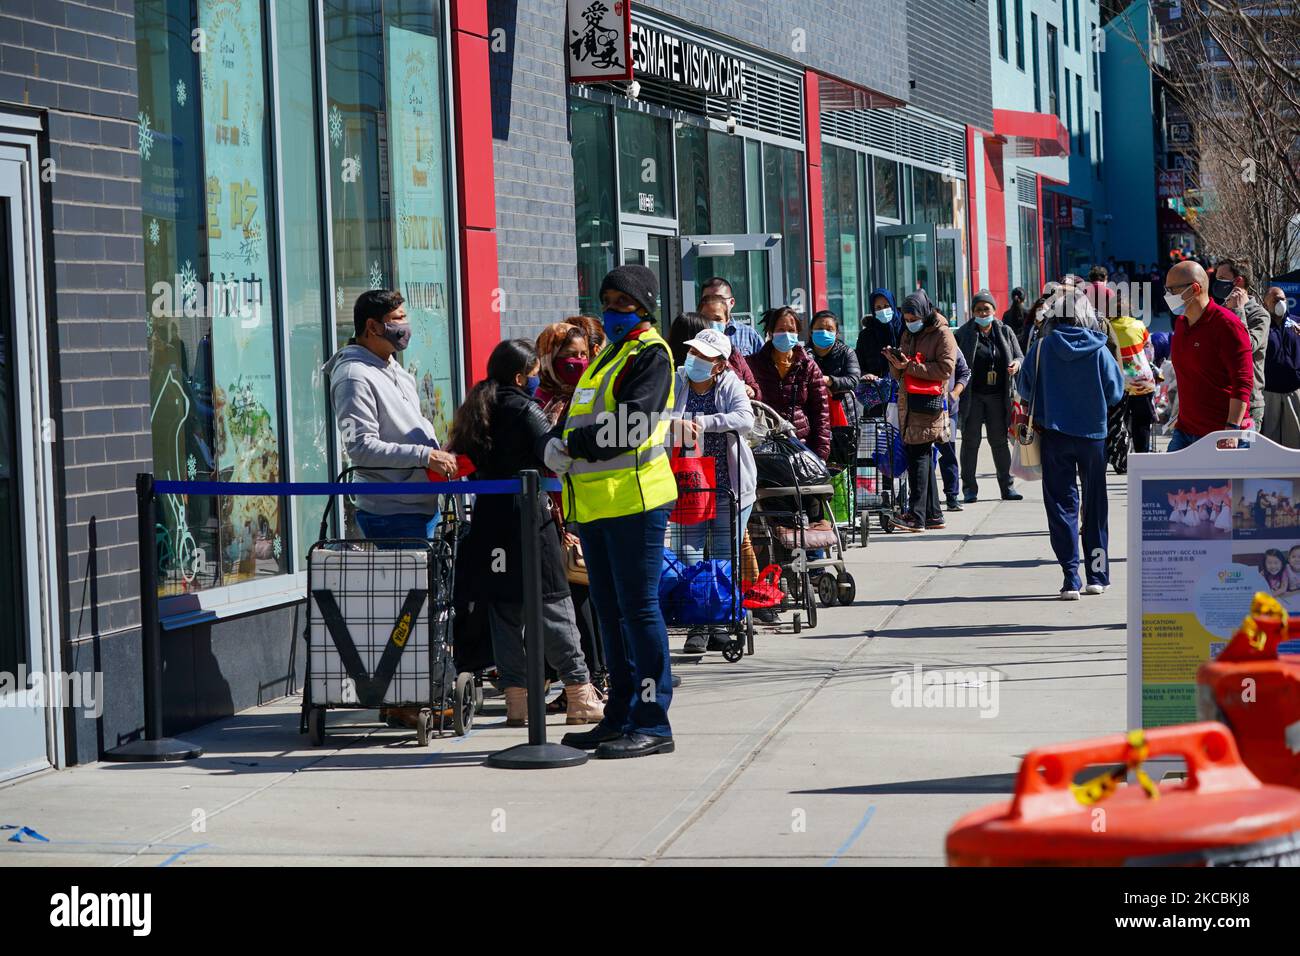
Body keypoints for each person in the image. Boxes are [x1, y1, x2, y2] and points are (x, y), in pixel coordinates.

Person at [549, 264, 677, 759]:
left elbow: (631, 426)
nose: (613, 310)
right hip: (600, 504)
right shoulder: (610, 355)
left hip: (636, 500)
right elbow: (582, 418)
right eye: (607, 301)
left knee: (639, 611)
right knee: (609, 612)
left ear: (643, 307)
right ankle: (620, 715)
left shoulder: (649, 354)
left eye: (623, 302)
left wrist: (571, 445)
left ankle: (652, 720)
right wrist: (556, 441)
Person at [447, 339, 604, 727]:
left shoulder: (476, 407)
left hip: (489, 520)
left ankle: (518, 703)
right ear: (521, 376)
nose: (537, 381)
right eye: (534, 375)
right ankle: (579, 695)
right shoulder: (524, 407)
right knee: (553, 606)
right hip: (530, 520)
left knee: (504, 613)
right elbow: (555, 455)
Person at [323, 290, 460, 728]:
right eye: (397, 318)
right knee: (406, 607)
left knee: (422, 603)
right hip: (390, 506)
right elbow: (360, 448)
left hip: (419, 502)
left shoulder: (391, 368)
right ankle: (402, 698)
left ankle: (418, 690)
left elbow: (408, 430)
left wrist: (437, 452)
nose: (405, 325)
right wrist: (423, 458)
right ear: (372, 327)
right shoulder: (353, 377)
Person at [1016, 293, 1125, 599]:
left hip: (1054, 436)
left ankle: (1070, 577)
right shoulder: (1100, 349)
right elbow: (1115, 392)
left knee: (1061, 506)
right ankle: (1097, 575)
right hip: (1093, 437)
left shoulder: (1041, 349)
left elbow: (1024, 388)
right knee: (1095, 506)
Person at [669, 327, 757, 654]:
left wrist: (704, 422)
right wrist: (673, 424)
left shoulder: (730, 384)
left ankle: (717, 622)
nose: (695, 360)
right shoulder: (676, 381)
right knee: (688, 555)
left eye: (704, 357)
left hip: (727, 485)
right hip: (690, 485)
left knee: (722, 556)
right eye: (693, 353)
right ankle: (698, 622)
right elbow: (655, 418)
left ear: (719, 364)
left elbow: (744, 419)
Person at [884, 290, 957, 533]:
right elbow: (902, 371)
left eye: (913, 317)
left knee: (919, 457)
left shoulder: (942, 333)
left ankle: (916, 516)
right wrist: (896, 364)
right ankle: (933, 514)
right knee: (921, 454)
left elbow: (946, 369)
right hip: (909, 403)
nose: (909, 322)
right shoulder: (907, 333)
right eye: (906, 318)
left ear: (925, 313)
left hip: (928, 405)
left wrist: (911, 366)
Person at [1165, 260, 1253, 451]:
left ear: (1194, 289)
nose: (1167, 296)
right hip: (1184, 433)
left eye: (1171, 290)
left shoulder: (1228, 325)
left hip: (1222, 436)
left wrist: (1231, 430)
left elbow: (1243, 381)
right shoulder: (1181, 324)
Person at [954, 290, 1024, 502]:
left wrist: (1016, 364)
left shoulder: (1004, 330)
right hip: (973, 397)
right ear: (973, 312)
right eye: (978, 309)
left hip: (997, 396)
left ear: (994, 310)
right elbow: (955, 361)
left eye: (986, 309)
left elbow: (1019, 354)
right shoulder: (964, 333)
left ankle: (1007, 487)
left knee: (999, 442)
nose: (983, 312)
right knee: (970, 442)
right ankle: (969, 489)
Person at [749, 306, 831, 460]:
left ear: (798, 332)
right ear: (771, 333)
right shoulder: (753, 364)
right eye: (781, 329)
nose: (786, 334)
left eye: (791, 330)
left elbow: (821, 412)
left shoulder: (808, 366)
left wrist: (821, 454)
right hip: (763, 447)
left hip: (802, 446)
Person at [1213, 259, 1269, 434]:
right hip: (1222, 398)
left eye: (1222, 277)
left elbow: (1247, 347)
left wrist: (1238, 311)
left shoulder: (1260, 315)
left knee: (1245, 458)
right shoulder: (1219, 311)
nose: (1217, 282)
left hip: (1249, 403)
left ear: (1238, 281)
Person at [1110, 291, 1157, 455]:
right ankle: (1142, 456)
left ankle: (1120, 456)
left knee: (1116, 421)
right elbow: (1149, 352)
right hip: (1141, 381)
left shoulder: (1107, 328)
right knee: (1142, 422)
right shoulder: (1139, 326)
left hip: (1116, 383)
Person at [697, 294, 759, 397]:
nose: (712, 324)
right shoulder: (692, 352)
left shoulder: (734, 354)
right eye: (706, 319)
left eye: (718, 319)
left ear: (726, 321)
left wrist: (751, 390)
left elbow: (754, 387)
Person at [1261, 286, 1300, 448]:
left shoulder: (1296, 322)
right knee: (1270, 442)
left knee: (1295, 440)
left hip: (1294, 391)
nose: (1280, 303)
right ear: (1266, 304)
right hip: (1270, 393)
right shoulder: (1261, 325)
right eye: (1275, 300)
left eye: (1283, 299)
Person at [854, 288, 903, 416]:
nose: (883, 310)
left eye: (886, 306)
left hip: (903, 397)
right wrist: (865, 374)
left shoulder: (904, 331)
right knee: (877, 434)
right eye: (878, 307)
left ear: (893, 305)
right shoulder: (866, 336)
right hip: (875, 397)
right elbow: (857, 363)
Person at [938, 347, 971, 511]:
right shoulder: (916, 341)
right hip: (921, 412)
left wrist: (955, 393)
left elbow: (965, 372)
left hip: (948, 412)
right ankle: (926, 500)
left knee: (948, 453)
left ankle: (952, 496)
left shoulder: (951, 346)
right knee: (924, 458)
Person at [699, 277, 764, 357]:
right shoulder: (694, 332)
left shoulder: (749, 334)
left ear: (732, 302)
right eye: (707, 299)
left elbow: (764, 365)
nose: (712, 303)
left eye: (719, 298)